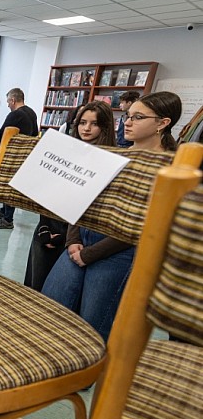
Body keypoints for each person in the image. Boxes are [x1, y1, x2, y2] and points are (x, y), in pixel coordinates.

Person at [42, 92, 181, 343]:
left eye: (138, 117)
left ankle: (82, 380)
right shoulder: (114, 156)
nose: (127, 122)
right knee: (50, 309)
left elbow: (141, 228)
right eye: (128, 116)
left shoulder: (170, 170)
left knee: (92, 328)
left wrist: (89, 254)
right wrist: (73, 239)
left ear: (163, 123)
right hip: (80, 240)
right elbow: (83, 200)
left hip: (117, 252)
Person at [26, 101, 115, 292]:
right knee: (34, 286)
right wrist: (43, 226)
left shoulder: (110, 162)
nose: (87, 128)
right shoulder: (65, 153)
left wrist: (69, 236)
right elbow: (48, 193)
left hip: (77, 237)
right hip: (47, 228)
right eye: (82, 122)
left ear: (105, 126)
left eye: (94, 123)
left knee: (59, 295)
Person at [0, 87, 38, 230]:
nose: (7, 105)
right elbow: (35, 134)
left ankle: (7, 219)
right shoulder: (32, 113)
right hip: (25, 155)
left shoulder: (15, 115)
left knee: (7, 185)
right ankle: (4, 212)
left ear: (12, 100)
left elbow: (1, 134)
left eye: (8, 102)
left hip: (11, 156)